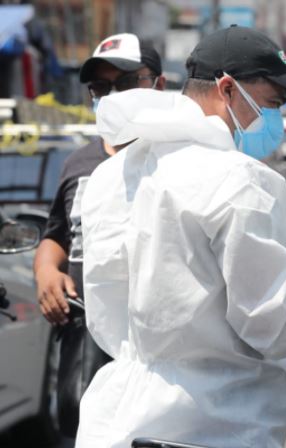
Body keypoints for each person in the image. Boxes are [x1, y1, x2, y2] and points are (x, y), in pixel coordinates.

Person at [74, 25, 286, 448]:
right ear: (227, 89)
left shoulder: (112, 173)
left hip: (121, 414)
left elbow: (104, 299)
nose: (276, 120)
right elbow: (267, 318)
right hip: (217, 420)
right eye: (272, 104)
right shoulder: (240, 180)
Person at [33, 32, 165, 438]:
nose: (112, 97)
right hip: (86, 334)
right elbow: (56, 235)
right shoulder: (78, 162)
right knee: (81, 425)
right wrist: (46, 273)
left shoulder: (177, 156)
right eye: (100, 88)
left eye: (126, 83)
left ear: (158, 85)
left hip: (159, 344)